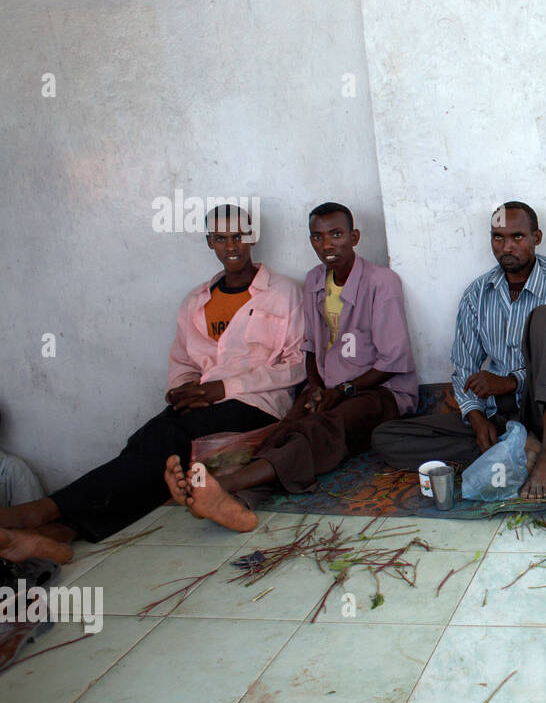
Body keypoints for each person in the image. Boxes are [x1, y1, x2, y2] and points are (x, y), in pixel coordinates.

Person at [0, 205, 304, 563]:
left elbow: (296, 366)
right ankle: (61, 533)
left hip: (257, 403)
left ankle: (42, 512)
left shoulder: (283, 292)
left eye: (237, 236)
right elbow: (184, 361)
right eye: (220, 238)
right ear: (210, 242)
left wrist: (225, 389)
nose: (230, 246)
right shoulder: (196, 300)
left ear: (251, 237)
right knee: (149, 447)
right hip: (205, 403)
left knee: (161, 440)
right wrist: (184, 389)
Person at [165, 202, 418, 531]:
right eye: (317, 237)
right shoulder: (314, 281)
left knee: (321, 429)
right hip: (329, 390)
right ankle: (238, 503)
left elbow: (392, 361)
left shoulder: (381, 282)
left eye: (336, 235)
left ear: (354, 237)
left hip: (378, 391)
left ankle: (226, 485)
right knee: (285, 428)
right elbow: (310, 346)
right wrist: (314, 388)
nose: (327, 245)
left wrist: (342, 390)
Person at [371, 201, 546, 499]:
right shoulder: (477, 293)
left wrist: (513, 381)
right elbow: (464, 367)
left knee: (545, 317)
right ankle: (518, 447)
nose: (507, 247)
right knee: (386, 437)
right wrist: (477, 419)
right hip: (501, 413)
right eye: (498, 237)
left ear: (536, 238)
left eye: (517, 237)